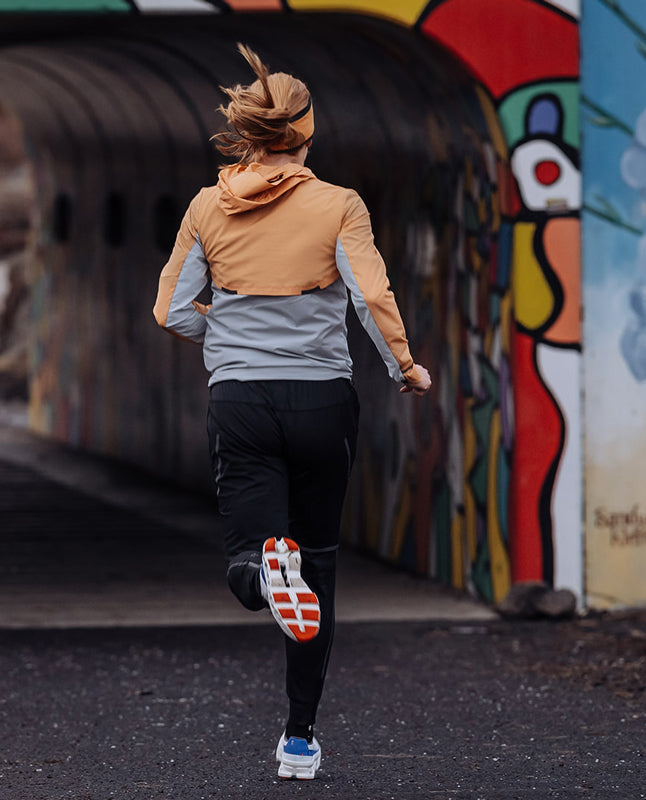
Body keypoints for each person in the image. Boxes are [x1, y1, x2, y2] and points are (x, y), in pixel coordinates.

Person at [153, 43, 431, 781]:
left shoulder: (207, 205)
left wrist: (230, 335)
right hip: (321, 399)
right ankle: (300, 740)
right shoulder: (339, 204)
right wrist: (404, 367)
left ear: (249, 133)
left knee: (248, 555)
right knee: (320, 566)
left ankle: (261, 572)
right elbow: (370, 298)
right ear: (307, 134)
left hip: (241, 398)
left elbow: (172, 311)